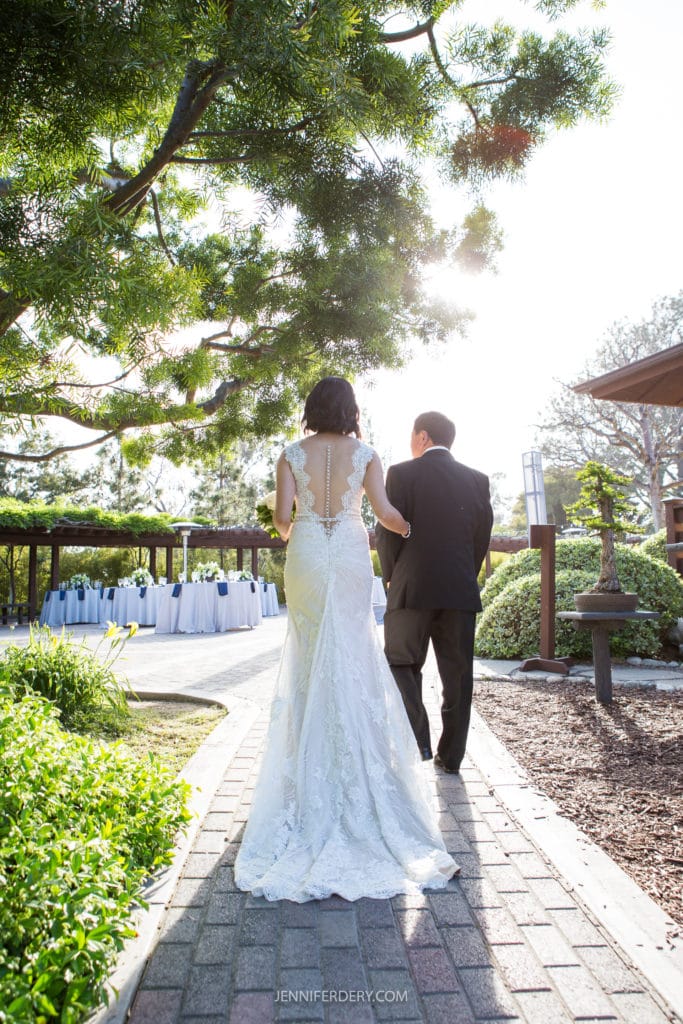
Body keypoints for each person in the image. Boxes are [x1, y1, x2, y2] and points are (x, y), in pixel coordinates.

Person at [234, 378, 458, 902]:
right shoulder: (367, 453)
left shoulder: (290, 454)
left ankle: (307, 778)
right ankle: (358, 776)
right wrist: (410, 531)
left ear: (312, 408)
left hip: (309, 554)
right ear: (352, 410)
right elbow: (383, 513)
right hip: (352, 554)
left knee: (311, 657)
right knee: (354, 652)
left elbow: (285, 523)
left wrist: (281, 516)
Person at [376, 411, 493, 774]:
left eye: (412, 435)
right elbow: (481, 536)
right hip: (459, 590)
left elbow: (386, 532)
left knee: (401, 663)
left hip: (410, 588)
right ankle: (451, 757)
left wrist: (392, 577)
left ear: (423, 436)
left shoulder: (400, 474)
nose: (411, 442)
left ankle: (420, 740)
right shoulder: (478, 480)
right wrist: (464, 575)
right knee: (458, 677)